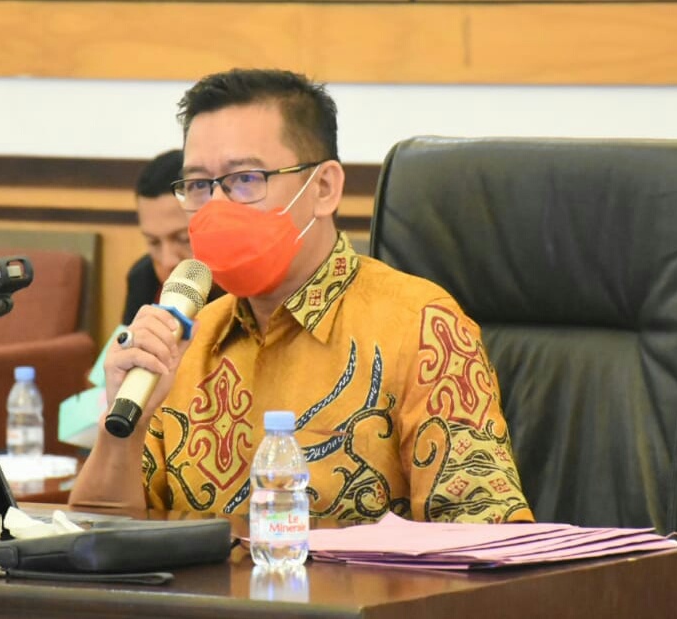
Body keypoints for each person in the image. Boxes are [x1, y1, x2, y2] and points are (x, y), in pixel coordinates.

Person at [70, 68, 533, 524]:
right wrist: (124, 427)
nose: (216, 208)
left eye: (245, 179)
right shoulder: (185, 343)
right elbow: (98, 534)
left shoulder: (421, 326)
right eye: (197, 185)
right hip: (204, 580)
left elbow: (484, 541)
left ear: (324, 188)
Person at [122, 149, 200, 325]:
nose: (168, 262)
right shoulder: (143, 278)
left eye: (183, 239)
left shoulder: (246, 291)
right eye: (154, 242)